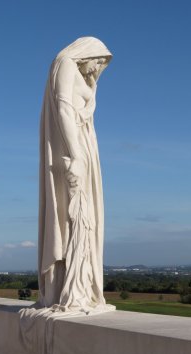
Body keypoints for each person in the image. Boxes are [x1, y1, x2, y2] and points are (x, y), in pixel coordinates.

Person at [38, 37, 113, 312]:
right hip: (74, 150)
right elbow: (64, 108)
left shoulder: (78, 72)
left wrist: (92, 85)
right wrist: (76, 155)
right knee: (76, 217)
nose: (97, 68)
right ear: (87, 53)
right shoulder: (66, 63)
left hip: (83, 145)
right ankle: (73, 287)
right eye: (98, 61)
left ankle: (82, 285)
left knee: (86, 217)